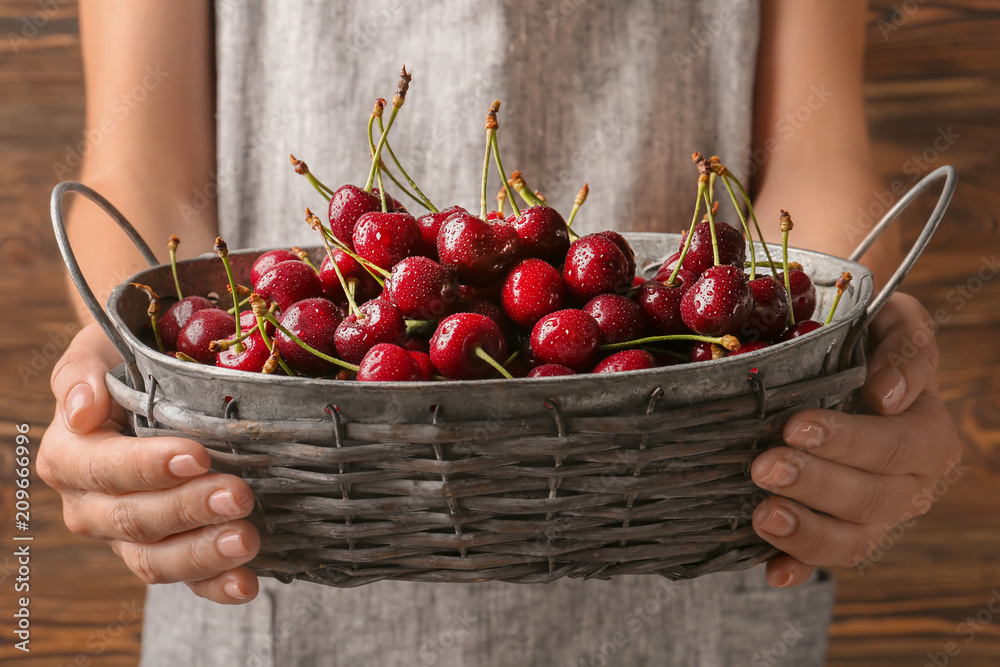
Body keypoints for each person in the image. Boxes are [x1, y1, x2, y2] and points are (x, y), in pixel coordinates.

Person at [40, 0, 960, 664]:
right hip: (272, 521)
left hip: (702, 518)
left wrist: (835, 321)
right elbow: (140, 170)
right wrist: (155, 343)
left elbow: (817, 151)